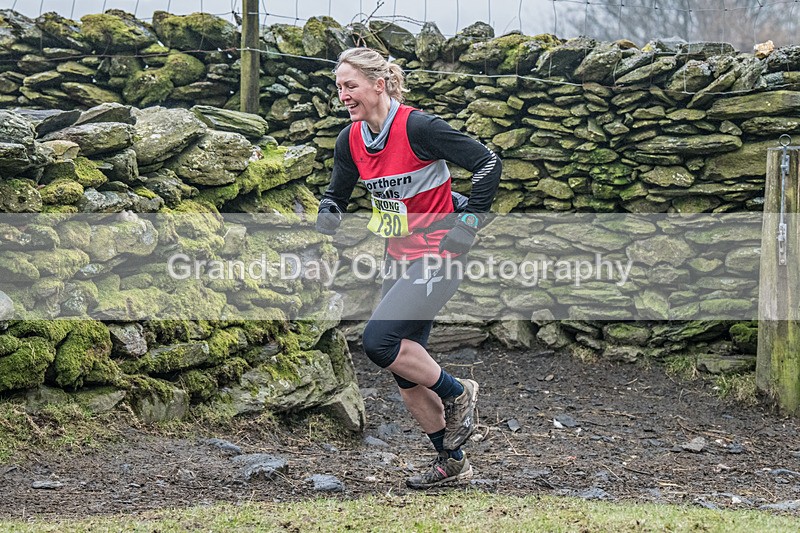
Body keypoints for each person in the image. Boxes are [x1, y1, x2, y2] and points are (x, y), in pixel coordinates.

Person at [315, 47, 501, 489]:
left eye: (351, 85)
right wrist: (329, 208)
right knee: (402, 367)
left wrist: (469, 223)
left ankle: (460, 393)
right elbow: (337, 191)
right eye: (339, 87)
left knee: (379, 342)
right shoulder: (351, 140)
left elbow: (488, 161)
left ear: (378, 85)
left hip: (439, 254)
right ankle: (451, 461)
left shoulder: (418, 127)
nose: (343, 95)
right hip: (398, 257)